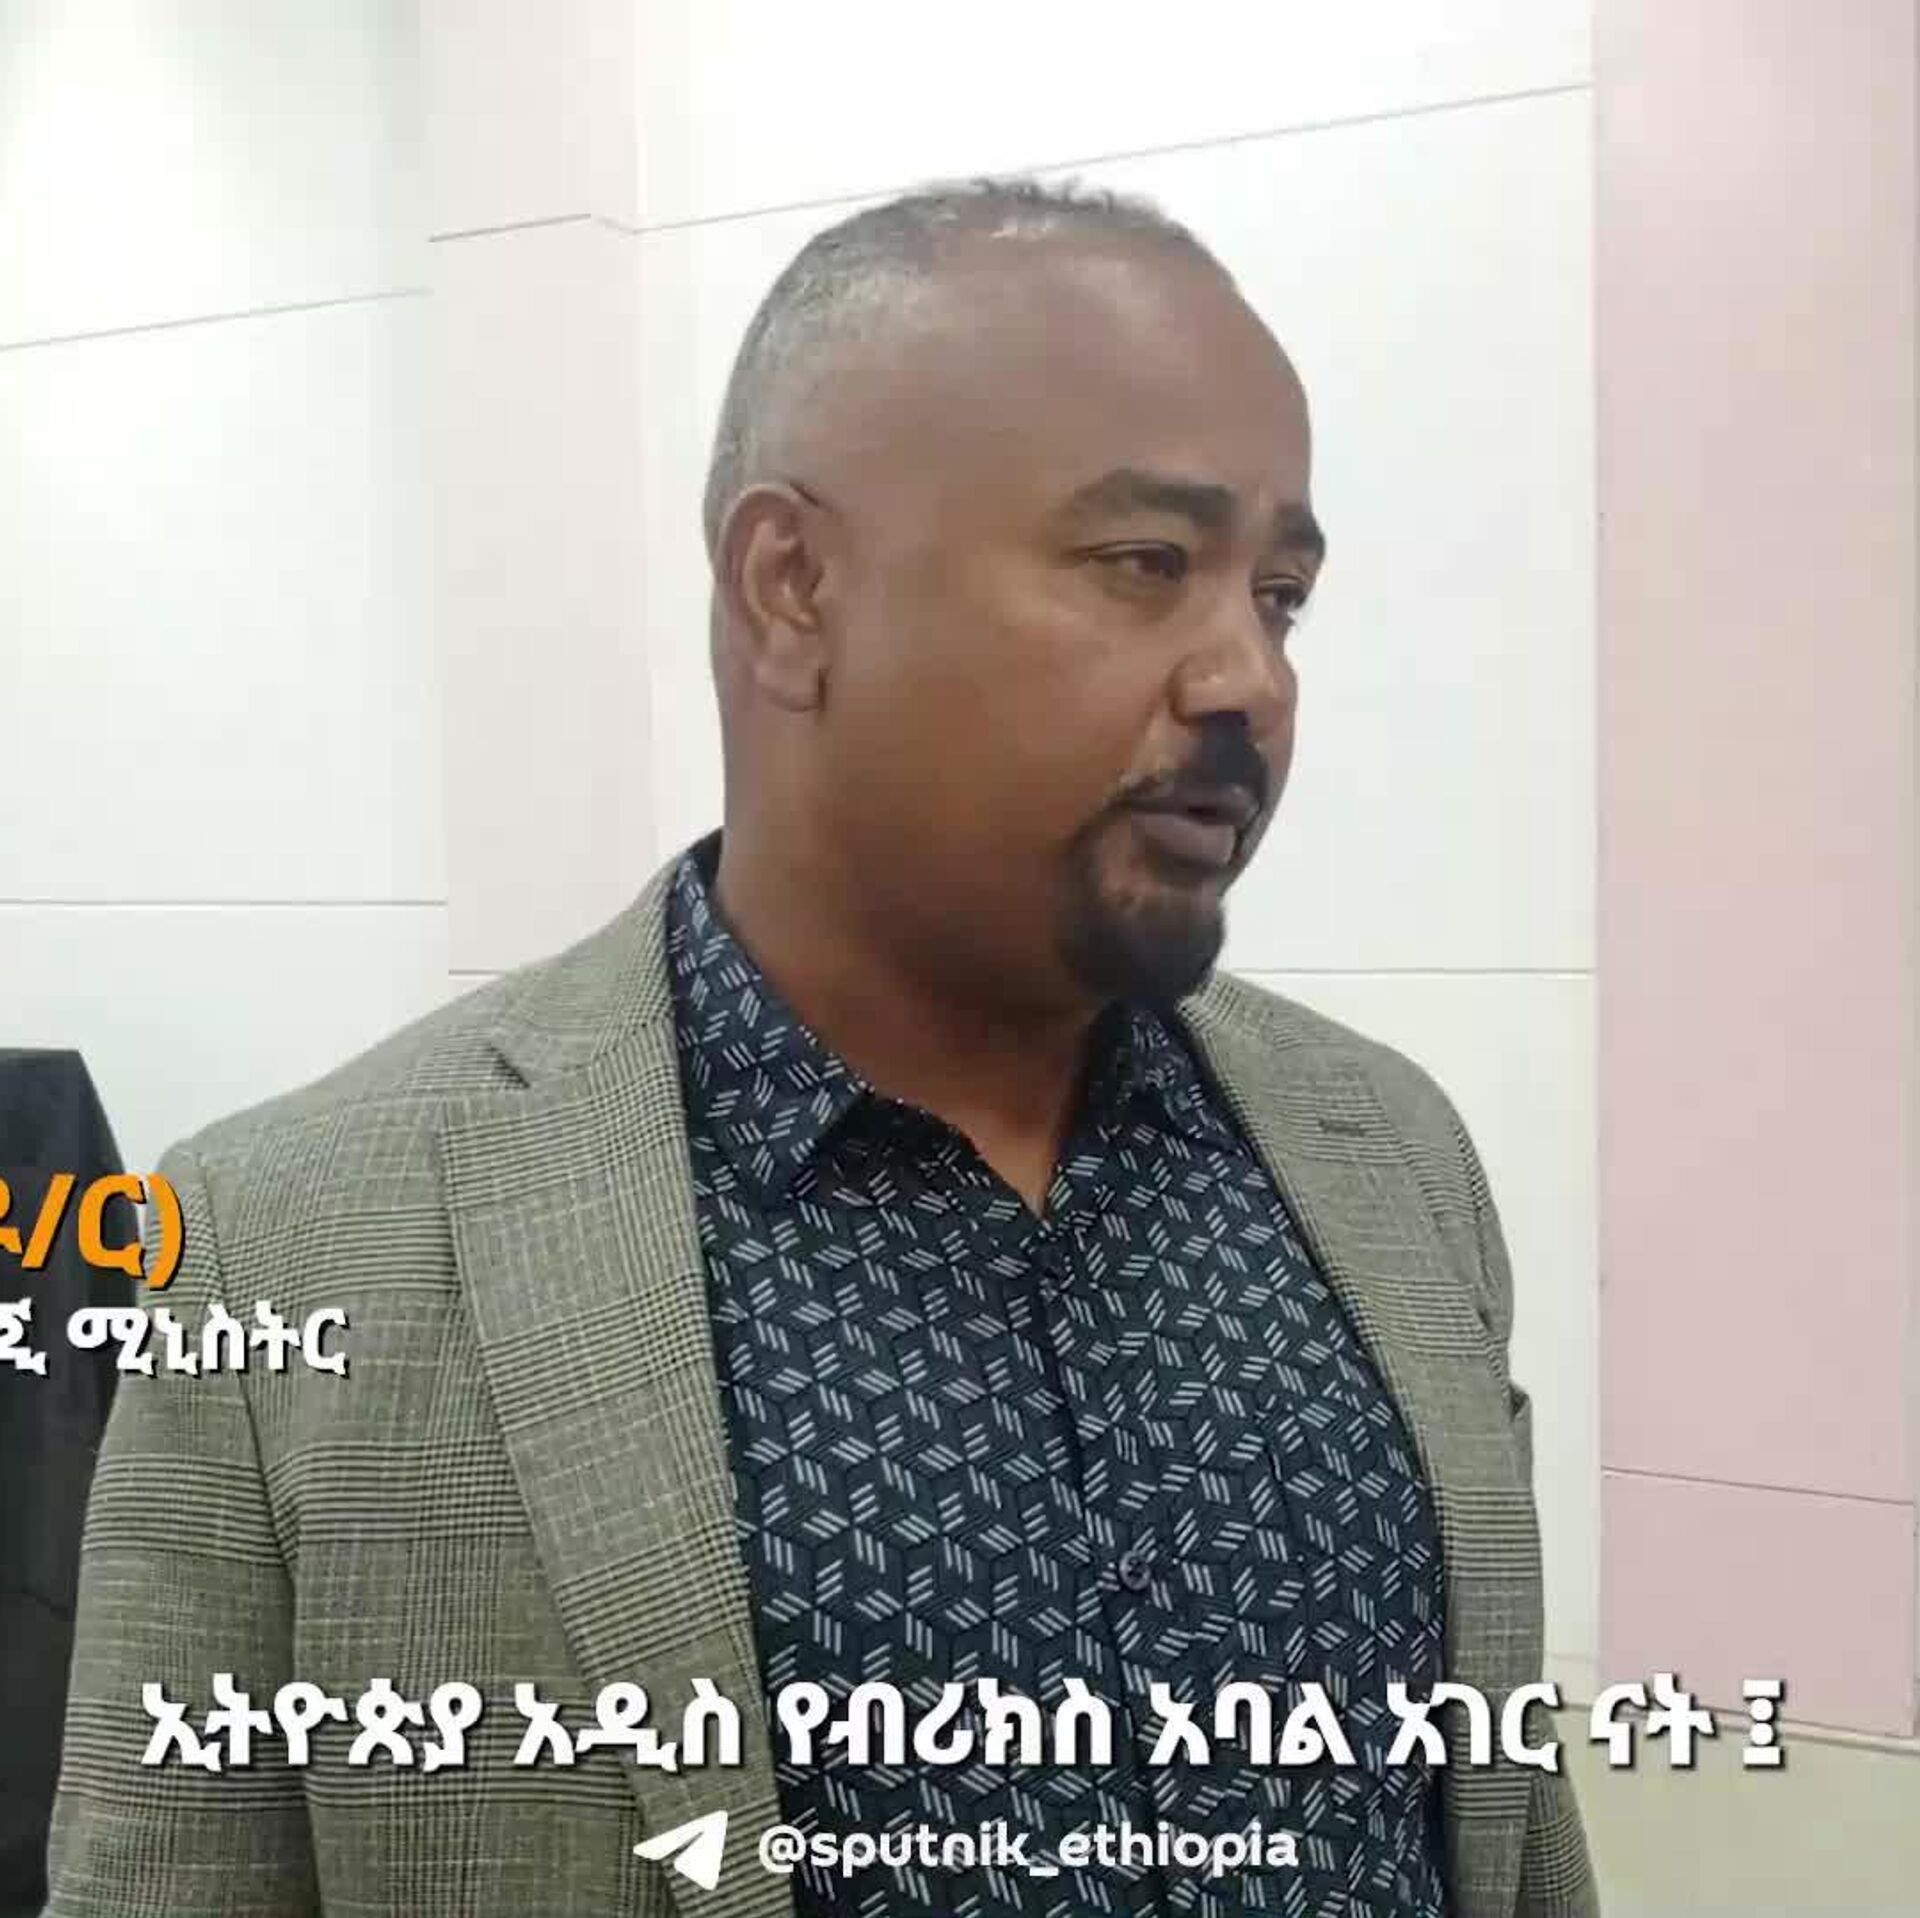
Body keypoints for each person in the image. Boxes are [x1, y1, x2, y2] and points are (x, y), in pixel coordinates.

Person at [47, 178, 1597, 1918]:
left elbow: (1505, 1838)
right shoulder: (289, 1242)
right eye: (1147, 565)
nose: (1252, 678)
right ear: (791, 587)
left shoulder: (1391, 1161)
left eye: (1283, 593)